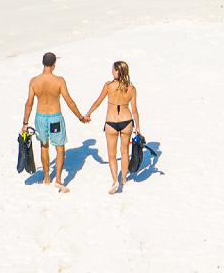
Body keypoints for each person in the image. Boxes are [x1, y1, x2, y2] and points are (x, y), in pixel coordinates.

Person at [21, 53, 87, 190]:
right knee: (60, 147)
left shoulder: (34, 81)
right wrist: (80, 117)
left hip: (40, 117)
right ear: (54, 64)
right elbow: (69, 101)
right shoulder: (59, 81)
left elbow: (29, 103)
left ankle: (46, 177)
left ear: (42, 62)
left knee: (44, 146)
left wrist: (25, 124)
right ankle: (58, 179)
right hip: (55, 117)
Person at [87, 60, 140, 195]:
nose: (112, 72)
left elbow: (98, 102)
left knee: (112, 154)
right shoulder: (132, 89)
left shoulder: (109, 86)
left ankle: (115, 180)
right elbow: (134, 110)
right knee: (124, 152)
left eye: (113, 70)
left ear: (118, 71)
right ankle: (124, 178)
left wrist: (88, 113)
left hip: (111, 122)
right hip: (126, 121)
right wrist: (138, 127)